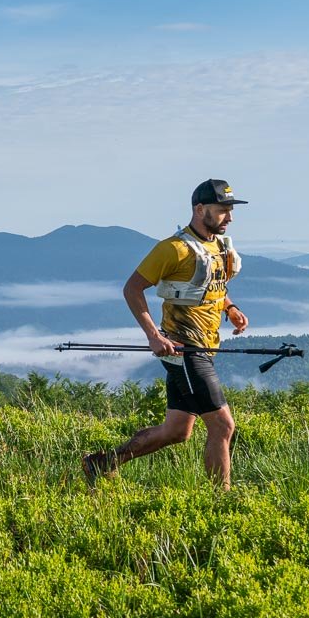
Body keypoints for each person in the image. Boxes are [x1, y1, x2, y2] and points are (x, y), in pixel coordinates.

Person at [82, 179, 250, 489]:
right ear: (199, 209)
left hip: (205, 347)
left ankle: (102, 463)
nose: (229, 217)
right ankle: (222, 501)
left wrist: (230, 308)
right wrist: (153, 336)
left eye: (230, 210)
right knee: (223, 426)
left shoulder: (218, 246)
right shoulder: (173, 249)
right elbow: (132, 289)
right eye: (222, 210)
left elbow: (209, 287)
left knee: (177, 431)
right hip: (184, 350)